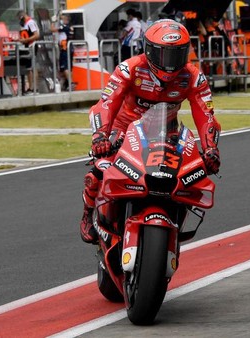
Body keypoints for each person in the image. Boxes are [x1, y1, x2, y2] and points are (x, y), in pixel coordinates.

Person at [79, 19, 221, 244]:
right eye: (165, 54)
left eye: (177, 55)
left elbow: (206, 115)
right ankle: (88, 212)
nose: (171, 63)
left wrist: (211, 148)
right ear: (149, 50)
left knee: (191, 174)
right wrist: (100, 136)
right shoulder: (130, 68)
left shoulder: (194, 76)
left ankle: (173, 220)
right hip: (123, 131)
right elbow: (105, 104)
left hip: (167, 133)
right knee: (100, 167)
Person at [17, 10, 41, 94]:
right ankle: (31, 88)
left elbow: (36, 35)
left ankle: (35, 88)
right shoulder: (26, 24)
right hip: (27, 47)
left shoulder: (30, 22)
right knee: (29, 68)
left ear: (22, 17)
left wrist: (26, 40)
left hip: (32, 46)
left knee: (33, 67)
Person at [52, 14, 74, 91]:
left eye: (62, 19)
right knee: (69, 68)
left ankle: (71, 83)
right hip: (69, 48)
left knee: (64, 67)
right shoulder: (69, 27)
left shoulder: (65, 27)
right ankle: (67, 83)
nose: (60, 21)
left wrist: (53, 21)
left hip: (65, 49)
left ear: (66, 20)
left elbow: (52, 29)